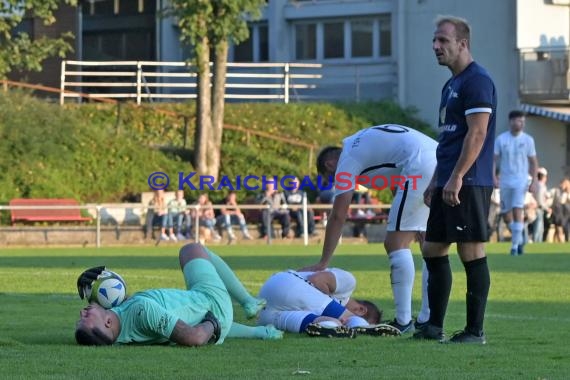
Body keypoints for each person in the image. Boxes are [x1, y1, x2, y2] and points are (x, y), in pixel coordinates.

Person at [300, 124, 437, 334]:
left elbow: (338, 215)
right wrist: (409, 220)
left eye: (330, 180)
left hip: (420, 164)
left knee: (395, 243)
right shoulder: (360, 141)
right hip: (438, 158)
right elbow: (396, 180)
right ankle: (429, 318)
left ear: (330, 164)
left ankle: (403, 321)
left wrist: (324, 262)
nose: (335, 183)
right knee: (429, 245)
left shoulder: (348, 159)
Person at [413, 16, 497, 344]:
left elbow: (477, 135)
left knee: (471, 250)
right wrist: (437, 179)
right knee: (433, 248)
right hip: (448, 179)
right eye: (435, 41)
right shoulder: (451, 85)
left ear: (462, 44)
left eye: (443, 41)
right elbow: (449, 139)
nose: (436, 46)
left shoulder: (478, 81)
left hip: (469, 181)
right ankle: (434, 326)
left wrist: (458, 176)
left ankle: (475, 332)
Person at [75, 243, 282, 346]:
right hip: (211, 302)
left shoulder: (117, 330)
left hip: (204, 315)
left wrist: (88, 282)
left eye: (80, 319)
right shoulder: (142, 312)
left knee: (195, 314)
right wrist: (214, 323)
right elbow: (194, 337)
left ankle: (262, 333)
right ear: (108, 323)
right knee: (192, 249)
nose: (82, 313)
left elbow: (109, 312)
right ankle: (248, 301)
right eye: (86, 318)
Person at [257, 267, 400, 337]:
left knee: (324, 322)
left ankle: (329, 327)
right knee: (347, 318)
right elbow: (316, 279)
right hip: (286, 284)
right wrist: (336, 309)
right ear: (361, 310)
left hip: (265, 312)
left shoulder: (313, 304)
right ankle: (360, 326)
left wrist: (335, 320)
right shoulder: (348, 283)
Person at [493, 110, 539, 255]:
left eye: (522, 121)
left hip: (521, 181)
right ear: (511, 122)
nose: (520, 123)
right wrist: (493, 177)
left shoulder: (528, 140)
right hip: (505, 181)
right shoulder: (501, 139)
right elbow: (493, 160)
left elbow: (533, 162)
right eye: (517, 121)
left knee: (517, 208)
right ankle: (519, 239)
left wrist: (534, 181)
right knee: (506, 214)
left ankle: (514, 247)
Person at [532, 167, 550, 243]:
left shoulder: (536, 185)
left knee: (540, 227)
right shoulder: (541, 186)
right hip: (538, 209)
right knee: (538, 228)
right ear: (543, 177)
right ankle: (537, 243)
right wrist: (547, 208)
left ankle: (538, 242)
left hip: (536, 208)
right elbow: (540, 201)